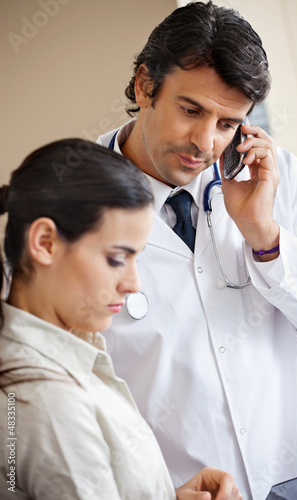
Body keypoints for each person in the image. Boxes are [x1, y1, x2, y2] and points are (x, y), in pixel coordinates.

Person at [96, 2, 297, 499]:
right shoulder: (75, 208)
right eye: (191, 110)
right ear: (144, 85)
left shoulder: (276, 178)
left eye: (228, 123)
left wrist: (267, 239)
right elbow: (47, 414)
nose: (205, 142)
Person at [0, 139, 243, 500]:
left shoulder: (66, 355)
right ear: (45, 242)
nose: (133, 284)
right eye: (116, 259)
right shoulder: (48, 404)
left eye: (136, 260)